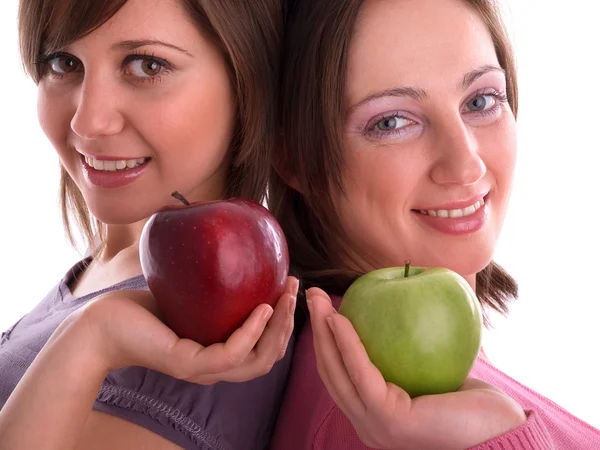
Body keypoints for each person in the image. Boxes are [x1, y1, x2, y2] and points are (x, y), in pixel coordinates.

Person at [268, 0, 600, 448]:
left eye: (481, 100)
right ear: (297, 162)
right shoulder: (373, 416)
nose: (466, 164)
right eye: (391, 121)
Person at [0, 0, 298, 449]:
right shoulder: (107, 269)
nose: (89, 121)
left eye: (147, 64)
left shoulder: (218, 337)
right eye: (64, 62)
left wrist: (93, 341)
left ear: (246, 80)